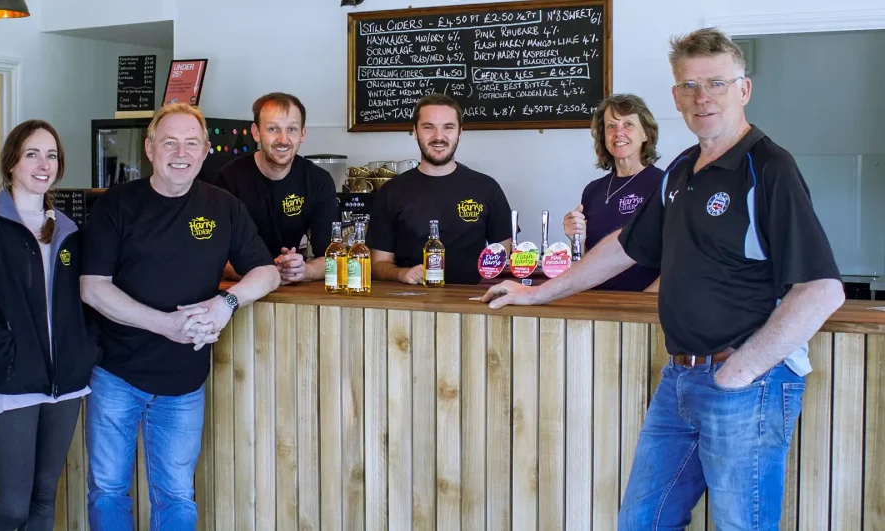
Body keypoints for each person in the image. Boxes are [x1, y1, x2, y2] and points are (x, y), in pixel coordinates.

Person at [481, 28, 844, 529]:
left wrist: (740, 372)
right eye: (689, 85)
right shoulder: (681, 171)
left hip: (746, 384)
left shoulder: (769, 168)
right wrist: (538, 291)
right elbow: (625, 248)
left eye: (716, 83)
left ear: (744, 89)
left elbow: (822, 289)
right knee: (642, 522)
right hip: (680, 379)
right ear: (675, 96)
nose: (702, 97)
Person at [79, 102, 280, 530]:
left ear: (206, 150)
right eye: (169, 141)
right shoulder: (114, 206)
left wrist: (226, 304)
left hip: (184, 381)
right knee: (108, 491)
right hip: (116, 373)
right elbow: (93, 287)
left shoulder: (222, 206)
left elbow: (266, 272)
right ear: (150, 148)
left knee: (176, 496)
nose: (180, 152)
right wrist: (166, 324)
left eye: (191, 142)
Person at [0, 119, 99, 530]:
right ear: (12, 162)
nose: (43, 163)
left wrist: (86, 348)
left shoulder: (68, 230)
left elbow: (88, 301)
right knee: (13, 507)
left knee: (44, 500)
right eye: (32, 153)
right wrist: (5, 346)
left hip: (66, 382)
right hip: (14, 379)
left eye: (51, 155)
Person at [368, 93, 514, 285]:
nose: (438, 137)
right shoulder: (391, 191)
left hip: (473, 304)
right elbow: (378, 264)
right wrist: (401, 274)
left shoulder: (487, 188)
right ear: (415, 131)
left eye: (448, 127)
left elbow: (504, 258)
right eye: (429, 128)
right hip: (410, 304)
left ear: (460, 133)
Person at [213, 92, 338, 284]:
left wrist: (304, 270)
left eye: (292, 129)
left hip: (293, 293)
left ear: (302, 133)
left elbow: (333, 258)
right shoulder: (228, 179)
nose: (283, 139)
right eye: (273, 129)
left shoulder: (318, 181)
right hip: (243, 287)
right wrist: (268, 273)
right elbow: (216, 258)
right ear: (256, 132)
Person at [562, 93, 663, 292]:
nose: (619, 132)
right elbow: (587, 261)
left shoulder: (663, 184)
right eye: (611, 126)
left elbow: (678, 260)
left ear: (645, 134)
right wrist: (577, 240)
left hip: (644, 306)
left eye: (628, 124)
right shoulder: (593, 190)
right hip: (597, 304)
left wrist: (643, 303)